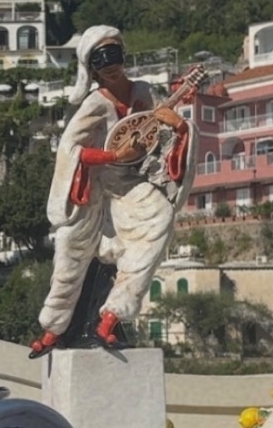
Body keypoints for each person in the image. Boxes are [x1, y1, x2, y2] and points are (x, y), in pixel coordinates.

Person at [31, 25, 192, 354]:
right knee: (71, 251)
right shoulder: (94, 104)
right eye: (100, 58)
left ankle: (112, 315)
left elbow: (158, 137)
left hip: (128, 181)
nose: (109, 64)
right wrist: (114, 156)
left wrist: (178, 126)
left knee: (159, 217)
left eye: (114, 54)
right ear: (91, 67)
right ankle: (53, 327)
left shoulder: (144, 92)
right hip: (92, 185)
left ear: (124, 55)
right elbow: (69, 151)